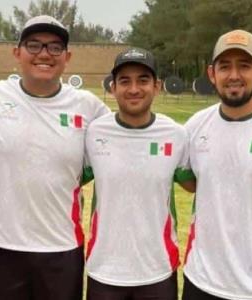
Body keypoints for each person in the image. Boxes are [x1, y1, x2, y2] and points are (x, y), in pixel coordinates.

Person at [0, 15, 110, 300]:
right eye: (34, 45)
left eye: (55, 47)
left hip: (62, 248)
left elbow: (112, 154)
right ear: (17, 52)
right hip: (5, 248)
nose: (44, 54)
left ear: (67, 57)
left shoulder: (89, 107)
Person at [84, 48, 195, 300]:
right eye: (125, 81)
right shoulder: (94, 133)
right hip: (104, 270)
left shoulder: (176, 135)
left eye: (143, 80)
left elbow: (196, 184)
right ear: (113, 87)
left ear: (157, 86)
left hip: (157, 271)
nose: (134, 89)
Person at [182, 29, 252, 300]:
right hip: (200, 281)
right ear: (211, 74)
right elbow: (190, 183)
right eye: (225, 66)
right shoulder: (195, 126)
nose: (234, 75)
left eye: (244, 66)